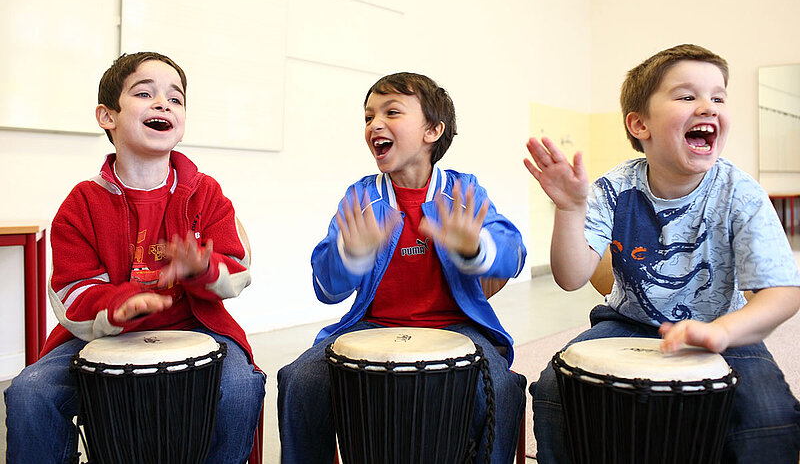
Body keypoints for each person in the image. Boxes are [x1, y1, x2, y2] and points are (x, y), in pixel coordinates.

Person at [525, 43, 800, 463]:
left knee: (768, 414)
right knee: (555, 388)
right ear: (640, 124)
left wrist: (724, 333)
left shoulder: (738, 192)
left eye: (719, 97)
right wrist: (569, 209)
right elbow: (571, 276)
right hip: (628, 322)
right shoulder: (613, 189)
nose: (708, 106)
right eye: (688, 96)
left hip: (722, 328)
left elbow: (784, 292)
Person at [4, 52, 266, 464]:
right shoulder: (82, 203)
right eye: (145, 93)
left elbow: (237, 266)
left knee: (240, 387)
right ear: (107, 116)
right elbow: (72, 290)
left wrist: (203, 268)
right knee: (30, 392)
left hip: (198, 326)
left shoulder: (205, 193)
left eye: (175, 99)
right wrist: (118, 304)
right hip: (100, 336)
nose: (163, 104)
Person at [277, 72, 527, 463]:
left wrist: (476, 246)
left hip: (457, 327)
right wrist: (350, 255)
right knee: (300, 380)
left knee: (501, 387)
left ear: (432, 130)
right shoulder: (361, 196)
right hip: (373, 326)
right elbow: (325, 288)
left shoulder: (463, 191)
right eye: (368, 116)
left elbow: (514, 253)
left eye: (391, 112)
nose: (374, 124)